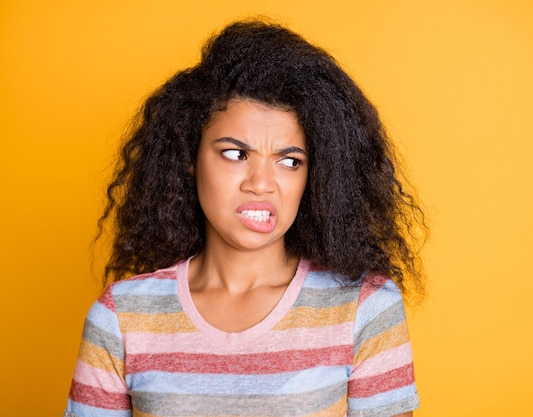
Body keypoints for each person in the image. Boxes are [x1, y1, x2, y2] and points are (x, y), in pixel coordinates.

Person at [64, 19, 427, 417]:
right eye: (236, 154)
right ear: (189, 157)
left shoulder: (365, 306)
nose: (262, 183)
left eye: (289, 161)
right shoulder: (121, 317)